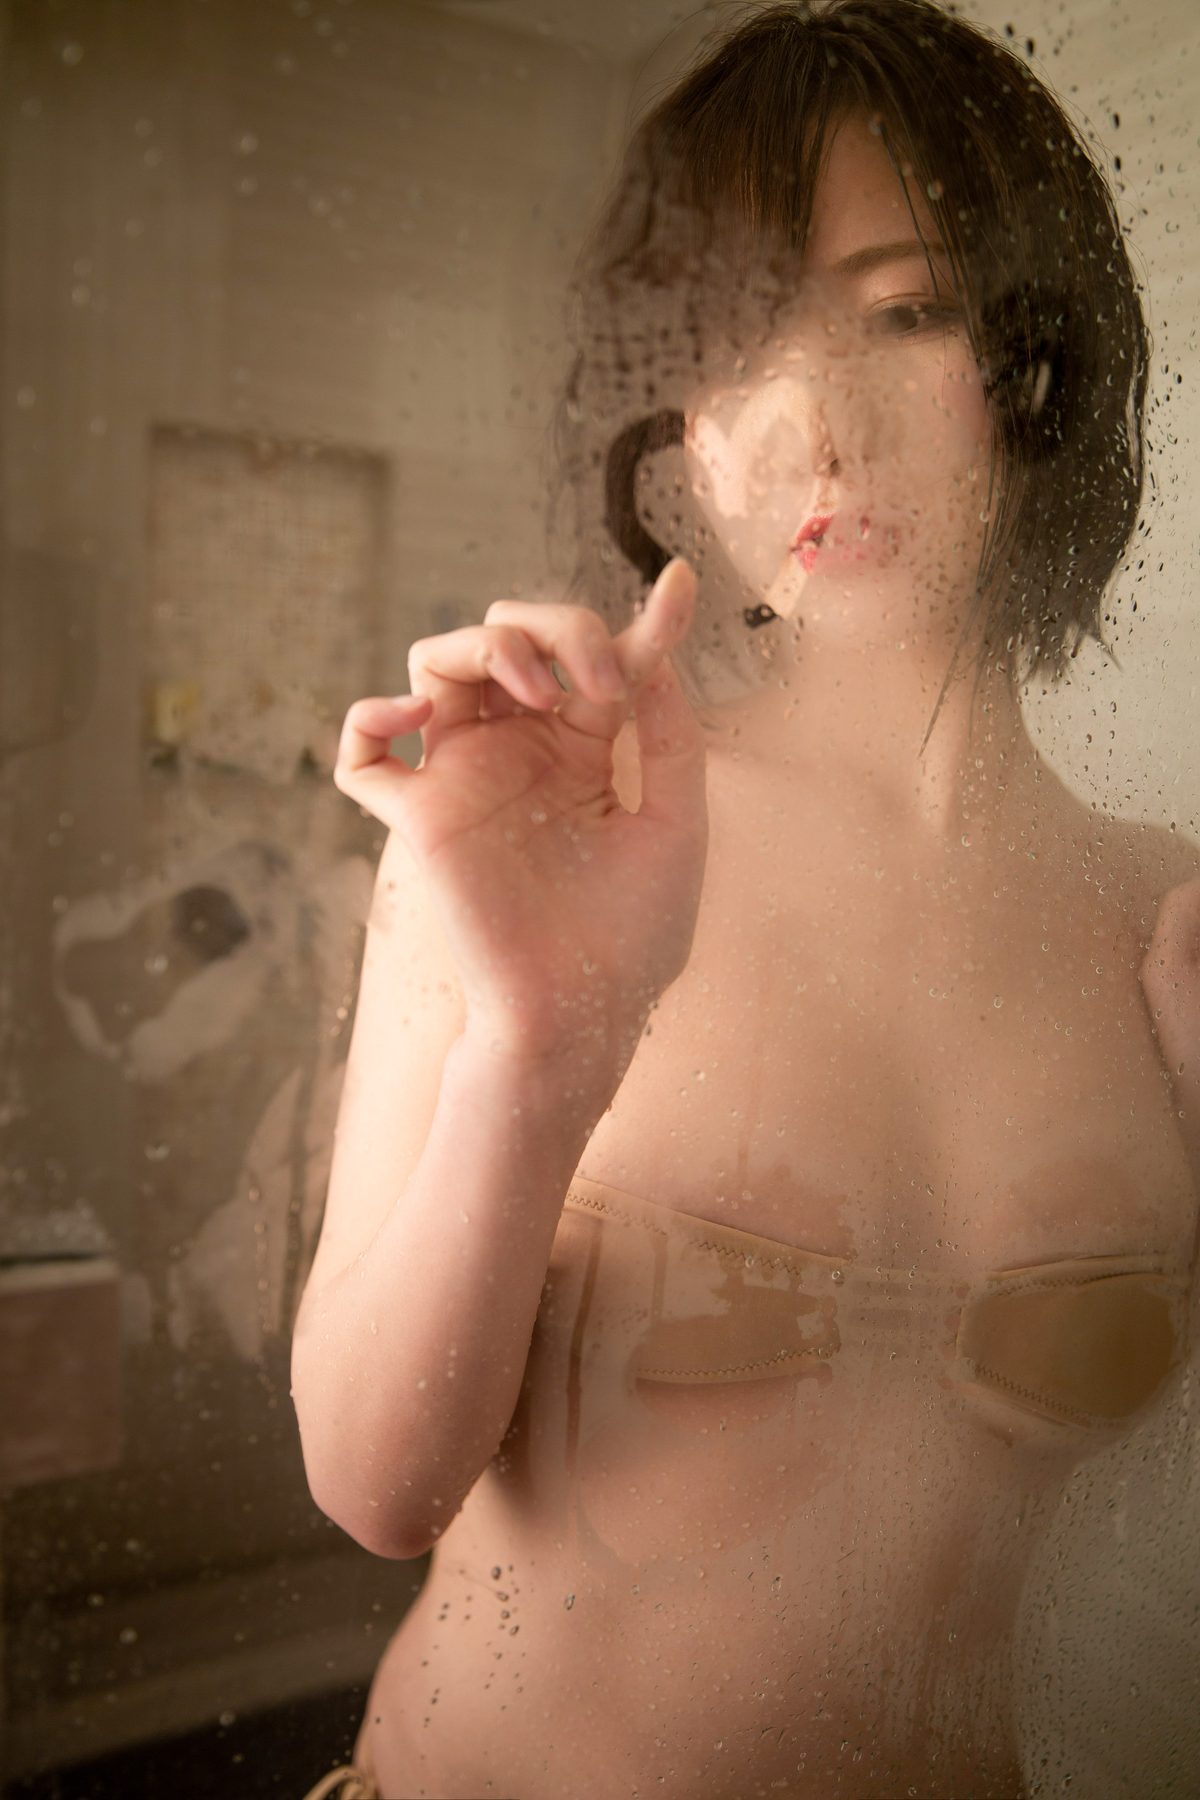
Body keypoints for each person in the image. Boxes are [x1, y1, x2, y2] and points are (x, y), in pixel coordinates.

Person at [291, 3, 1200, 1795]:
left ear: (1039, 361)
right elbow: (373, 1486)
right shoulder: (557, 826)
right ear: (680, 435)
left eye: (905, 311)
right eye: (731, 346)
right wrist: (543, 1037)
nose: (815, 423)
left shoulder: (1164, 927)